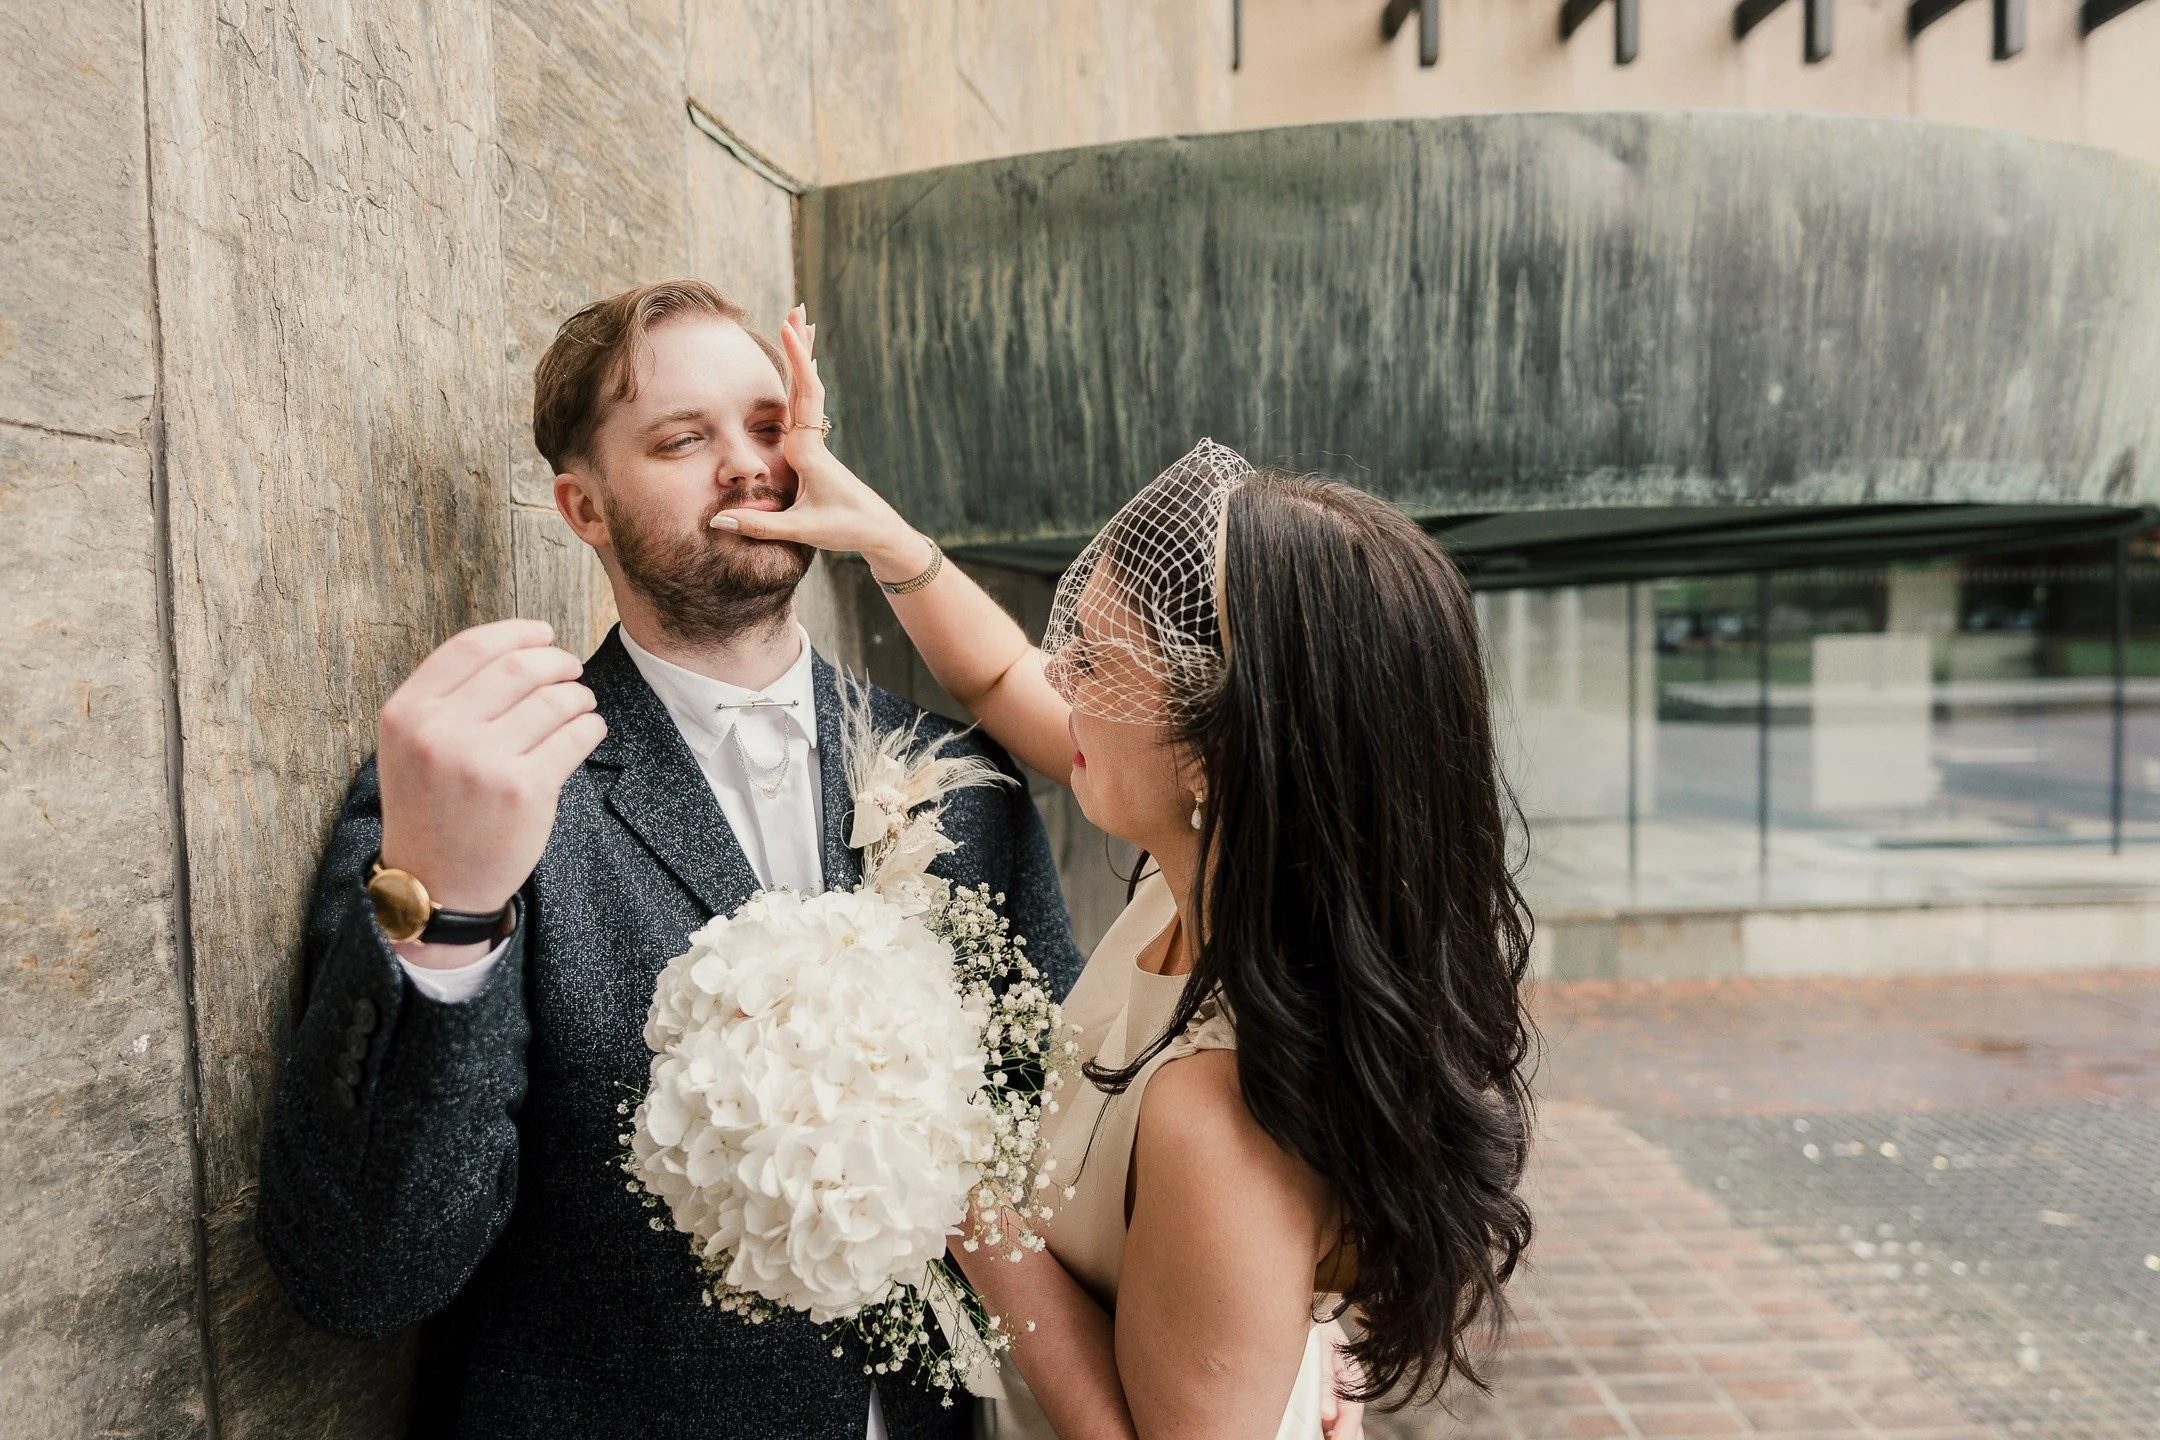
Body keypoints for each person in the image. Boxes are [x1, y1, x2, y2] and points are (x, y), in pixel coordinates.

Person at [253, 280, 1080, 1440]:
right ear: (583, 509)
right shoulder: (486, 795)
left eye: (764, 424)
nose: (745, 465)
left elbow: (1071, 1158)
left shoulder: (965, 781)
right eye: (682, 439)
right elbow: (362, 1275)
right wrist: (447, 927)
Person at [717, 308, 1539, 1438]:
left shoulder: (1221, 1111)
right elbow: (1005, 674)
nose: (1057, 670)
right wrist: (881, 538)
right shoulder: (1208, 863)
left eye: (1094, 659)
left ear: (1214, 748)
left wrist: (938, 1172)